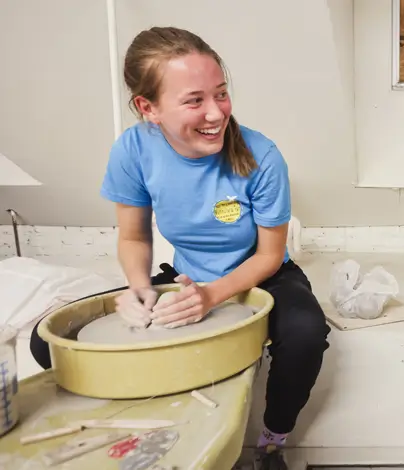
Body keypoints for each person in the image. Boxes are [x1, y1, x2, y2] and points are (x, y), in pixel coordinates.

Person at [28, 26, 330, 470]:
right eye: (195, 100)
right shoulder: (133, 149)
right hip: (188, 276)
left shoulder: (262, 156)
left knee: (306, 336)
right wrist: (137, 289)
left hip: (264, 273)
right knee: (45, 342)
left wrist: (210, 296)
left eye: (221, 94)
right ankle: (137, 421)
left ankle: (271, 443)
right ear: (147, 107)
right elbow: (132, 236)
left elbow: (269, 254)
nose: (216, 113)